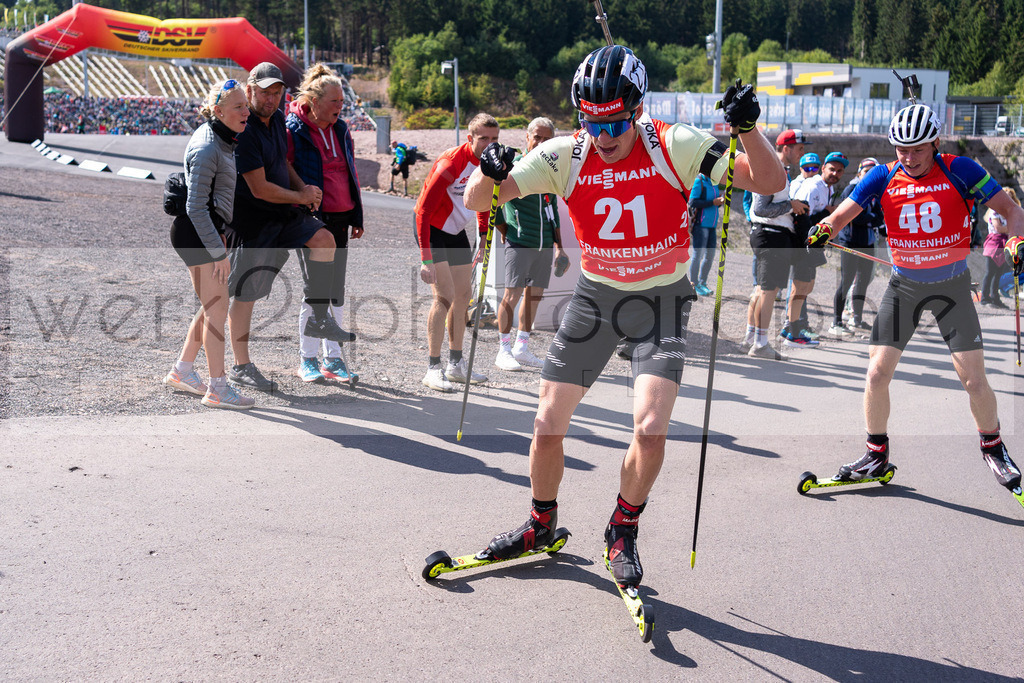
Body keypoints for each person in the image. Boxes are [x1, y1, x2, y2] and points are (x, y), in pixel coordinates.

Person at [463, 45, 785, 591]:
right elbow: (479, 197)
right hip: (595, 301)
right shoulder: (567, 153)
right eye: (592, 119)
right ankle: (541, 524)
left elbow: (769, 181)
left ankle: (622, 529)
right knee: (546, 425)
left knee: (651, 430)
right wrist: (489, 168)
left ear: (636, 108)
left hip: (660, 303)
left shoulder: (673, 143)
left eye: (615, 120)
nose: (605, 134)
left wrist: (749, 129)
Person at [806, 104, 1024, 498]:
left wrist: (1015, 239)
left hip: (952, 286)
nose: (909, 157)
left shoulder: (962, 169)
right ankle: (875, 454)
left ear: (935, 143)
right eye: (901, 149)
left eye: (918, 149)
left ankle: (993, 446)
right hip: (904, 286)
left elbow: (1011, 209)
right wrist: (823, 228)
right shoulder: (883, 175)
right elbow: (843, 214)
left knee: (973, 380)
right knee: (875, 374)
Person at [224, 62, 354, 393]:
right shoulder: (245, 128)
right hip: (253, 221)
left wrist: (304, 189)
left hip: (282, 214)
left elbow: (283, 162)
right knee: (246, 295)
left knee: (325, 241)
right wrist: (300, 194)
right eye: (265, 92)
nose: (272, 98)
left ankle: (319, 316)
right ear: (250, 90)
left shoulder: (278, 118)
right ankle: (240, 365)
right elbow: (259, 188)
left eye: (277, 92)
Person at [163, 79, 255, 409]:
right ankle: (217, 388)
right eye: (239, 107)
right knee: (218, 310)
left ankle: (182, 371)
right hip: (197, 234)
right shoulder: (207, 146)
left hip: (206, 232)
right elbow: (195, 207)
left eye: (246, 104)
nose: (247, 111)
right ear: (218, 111)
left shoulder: (222, 137)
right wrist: (218, 251)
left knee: (211, 305)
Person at [285, 63, 363, 384]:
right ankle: (308, 359)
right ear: (314, 101)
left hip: (342, 218)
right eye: (335, 102)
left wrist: (357, 215)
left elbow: (350, 173)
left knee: (336, 291)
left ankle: (335, 359)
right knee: (314, 291)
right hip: (313, 219)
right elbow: (285, 171)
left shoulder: (342, 129)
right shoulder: (293, 129)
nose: (340, 109)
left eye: (342, 103)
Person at [416, 113, 499, 392]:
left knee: (464, 296)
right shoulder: (450, 164)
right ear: (470, 138)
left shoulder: (489, 163)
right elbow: (423, 212)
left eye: (494, 139)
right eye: (483, 139)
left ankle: (456, 365)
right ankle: (433, 368)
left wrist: (484, 234)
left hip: (455, 232)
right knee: (445, 297)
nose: (489, 145)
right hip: (434, 230)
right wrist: (426, 259)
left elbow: (483, 200)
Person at [493, 117, 569, 372]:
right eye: (537, 137)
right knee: (511, 294)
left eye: (547, 139)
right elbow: (494, 203)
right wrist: (505, 229)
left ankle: (521, 347)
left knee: (534, 295)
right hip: (520, 240)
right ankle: (503, 350)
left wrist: (559, 246)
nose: (541, 142)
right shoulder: (514, 164)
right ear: (527, 137)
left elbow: (553, 210)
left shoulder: (551, 168)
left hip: (544, 243)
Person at [743, 129, 811, 359]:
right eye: (800, 149)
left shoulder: (778, 169)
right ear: (786, 148)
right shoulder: (773, 169)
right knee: (769, 292)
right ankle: (760, 344)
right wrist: (792, 206)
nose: (802, 154)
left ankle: (751, 337)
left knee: (762, 289)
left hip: (769, 235)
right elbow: (760, 209)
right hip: (771, 234)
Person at [783, 150, 847, 346]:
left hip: (812, 243)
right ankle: (792, 328)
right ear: (823, 169)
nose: (835, 173)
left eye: (839, 171)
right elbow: (800, 215)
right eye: (831, 169)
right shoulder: (813, 186)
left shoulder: (825, 188)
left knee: (807, 286)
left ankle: (796, 326)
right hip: (803, 243)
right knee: (800, 286)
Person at [829, 157, 883, 335]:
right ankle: (836, 322)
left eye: (873, 172)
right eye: (867, 172)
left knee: (863, 281)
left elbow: (879, 217)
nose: (870, 176)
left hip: (867, 242)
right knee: (846, 281)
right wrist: (871, 219)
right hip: (850, 242)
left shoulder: (875, 192)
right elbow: (853, 217)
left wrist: (871, 219)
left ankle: (856, 319)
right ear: (859, 172)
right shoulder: (852, 189)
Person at [980, 187, 1020, 308]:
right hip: (994, 243)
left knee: (999, 273)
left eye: (1010, 197)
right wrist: (1013, 228)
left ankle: (995, 297)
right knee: (990, 272)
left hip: (1006, 243)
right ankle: (984, 298)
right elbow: (998, 228)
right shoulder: (995, 212)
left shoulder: (1009, 213)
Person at [687, 172, 723, 297]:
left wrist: (719, 202)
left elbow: (714, 202)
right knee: (698, 255)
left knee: (710, 255)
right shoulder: (699, 181)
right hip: (700, 225)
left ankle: (703, 283)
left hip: (712, 225)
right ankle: (694, 284)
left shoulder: (714, 183)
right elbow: (692, 202)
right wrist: (713, 202)